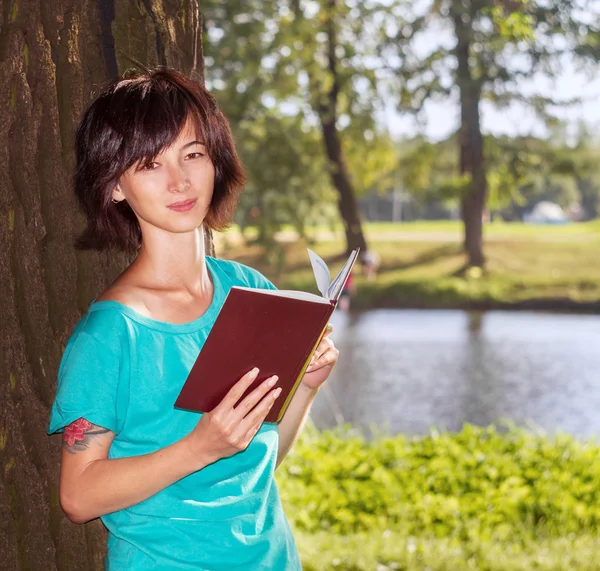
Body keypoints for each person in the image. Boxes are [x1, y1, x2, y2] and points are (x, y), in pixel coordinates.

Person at [47, 68, 339, 570]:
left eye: (193, 154)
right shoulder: (111, 335)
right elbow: (78, 496)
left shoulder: (252, 294)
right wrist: (198, 447)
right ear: (115, 185)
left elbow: (259, 459)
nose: (179, 181)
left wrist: (308, 386)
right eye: (149, 163)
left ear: (215, 161)